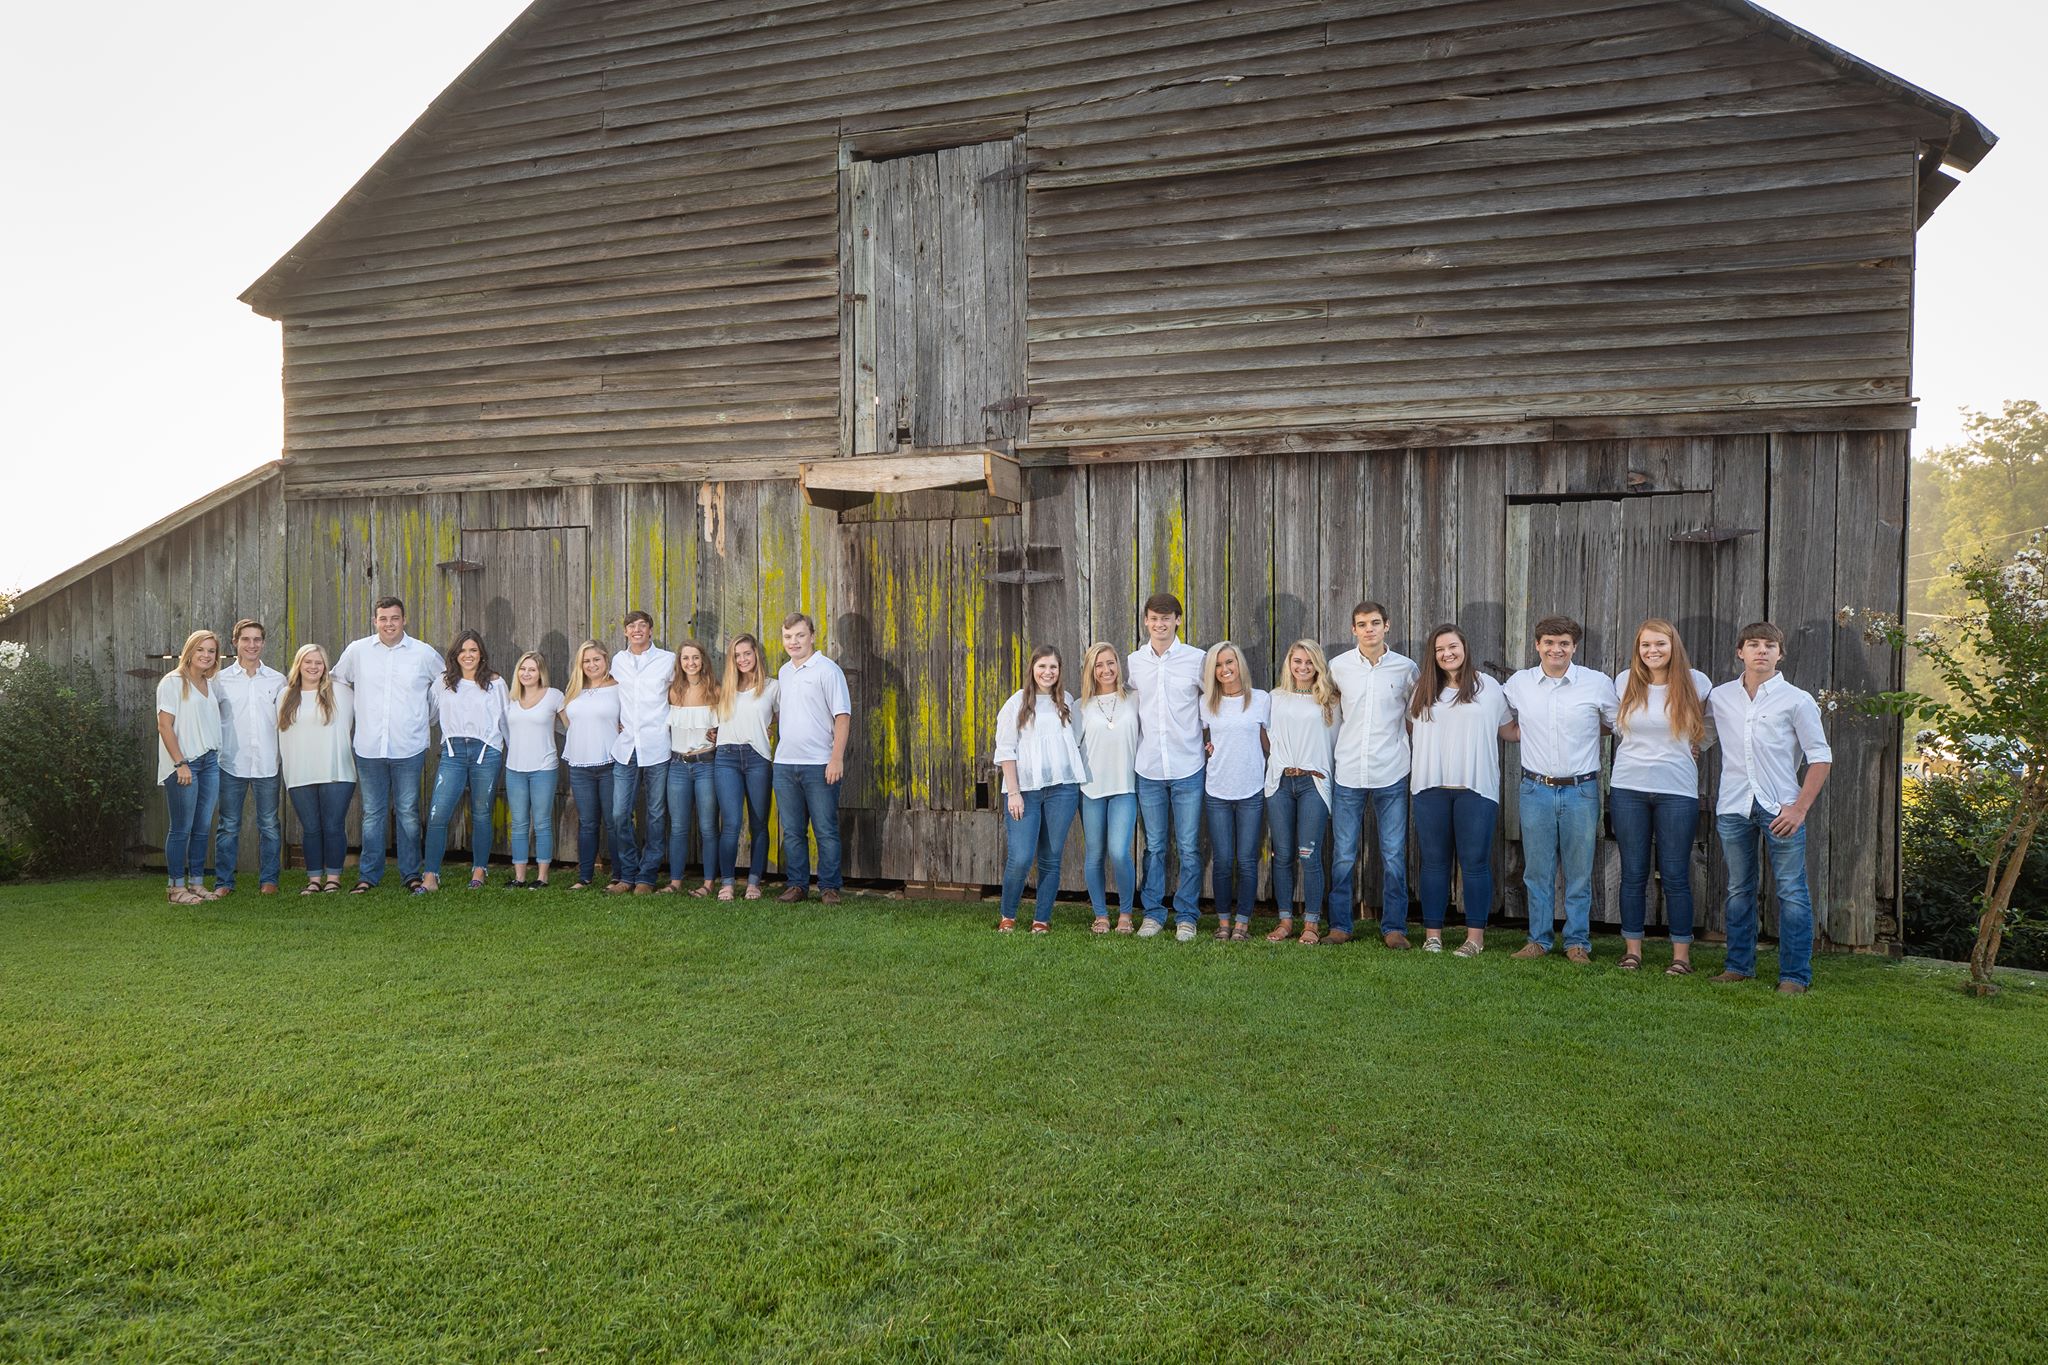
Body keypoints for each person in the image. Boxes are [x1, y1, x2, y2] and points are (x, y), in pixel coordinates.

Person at [1709, 622, 1833, 994]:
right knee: (1738, 889)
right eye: (1753, 644)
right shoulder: (1720, 697)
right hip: (1733, 805)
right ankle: (1738, 966)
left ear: (1780, 654)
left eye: (1769, 645)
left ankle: (1794, 976)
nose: (1761, 651)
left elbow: (1820, 757)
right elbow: (1699, 735)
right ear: (1740, 652)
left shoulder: (1797, 700)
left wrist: (1799, 810)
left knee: (1791, 892)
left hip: (1781, 808)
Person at [1502, 616, 1620, 963]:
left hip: (1581, 790)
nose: (1556, 649)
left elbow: (1617, 724)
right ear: (1537, 645)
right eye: (1549, 643)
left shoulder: (1596, 683)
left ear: (1574, 647)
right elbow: (1502, 721)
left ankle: (1577, 942)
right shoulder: (1519, 684)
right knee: (1537, 870)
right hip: (1535, 788)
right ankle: (1538, 940)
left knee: (1579, 871)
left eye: (1564, 643)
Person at [1611, 620, 1715, 974]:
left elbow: (1712, 723)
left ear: (1674, 647)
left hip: (1677, 790)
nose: (1652, 651)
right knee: (1633, 873)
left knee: (1675, 874)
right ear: (1637, 649)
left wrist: (1698, 745)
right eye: (1645, 645)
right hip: (1628, 787)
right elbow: (1616, 724)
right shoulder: (1625, 681)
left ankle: (1681, 956)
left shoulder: (1696, 682)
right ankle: (1632, 951)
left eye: (1660, 644)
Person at [1408, 624, 1514, 955]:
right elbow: (1409, 727)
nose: (1447, 653)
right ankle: (1433, 936)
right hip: (1430, 787)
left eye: (1452, 646)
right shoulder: (1422, 689)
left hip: (1476, 788)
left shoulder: (1488, 687)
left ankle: (1474, 939)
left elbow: (1509, 730)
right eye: (1440, 649)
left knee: (1475, 863)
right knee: (1434, 863)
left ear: (1464, 648)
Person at [332, 597, 444, 893]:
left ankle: (411, 873)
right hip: (369, 746)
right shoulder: (358, 651)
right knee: (372, 814)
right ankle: (368, 875)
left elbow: (444, 686)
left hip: (409, 747)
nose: (389, 624)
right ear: (375, 621)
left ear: (404, 620)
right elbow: (338, 681)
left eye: (394, 618)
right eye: (383, 618)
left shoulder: (423, 653)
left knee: (407, 812)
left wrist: (426, 719)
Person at [1326, 600, 1421, 947]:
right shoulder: (1338, 667)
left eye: (1375, 623)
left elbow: (1415, 718)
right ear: (1354, 629)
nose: (1369, 630)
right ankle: (1340, 925)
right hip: (1349, 771)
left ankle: (1394, 928)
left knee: (1393, 853)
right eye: (1363, 624)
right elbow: (1329, 713)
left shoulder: (1406, 669)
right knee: (1343, 853)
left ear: (1387, 626)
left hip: (1391, 771)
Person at [1127, 593, 1206, 941]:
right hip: (1149, 769)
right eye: (1154, 618)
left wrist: (1213, 739)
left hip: (1188, 766)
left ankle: (1187, 916)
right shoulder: (1133, 663)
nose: (1159, 624)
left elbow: (1214, 702)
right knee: (1155, 847)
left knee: (1188, 847)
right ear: (1146, 621)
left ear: (1177, 620)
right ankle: (1153, 914)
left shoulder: (1197, 660)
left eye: (1166, 618)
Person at [993, 646, 1088, 933]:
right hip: (1026, 791)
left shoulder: (1066, 701)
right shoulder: (1017, 703)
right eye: (1042, 666)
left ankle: (1041, 920)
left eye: (1053, 667)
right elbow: (1005, 750)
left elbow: (1076, 742)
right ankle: (1008, 915)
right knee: (1021, 857)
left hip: (1063, 789)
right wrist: (1013, 793)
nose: (1048, 672)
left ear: (1060, 671)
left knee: (1051, 857)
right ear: (1032, 669)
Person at [420, 630, 509, 892]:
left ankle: (479, 870)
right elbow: (430, 715)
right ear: (455, 654)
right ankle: (430, 876)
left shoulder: (495, 683)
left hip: (486, 752)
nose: (467, 655)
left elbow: (506, 720)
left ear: (481, 654)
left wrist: (512, 751)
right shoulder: (443, 682)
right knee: (438, 813)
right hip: (453, 753)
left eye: (473, 650)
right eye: (463, 650)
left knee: (481, 812)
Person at [772, 614, 851, 904]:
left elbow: (842, 716)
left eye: (800, 635)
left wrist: (836, 758)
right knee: (793, 831)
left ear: (812, 636)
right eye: (788, 637)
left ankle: (829, 887)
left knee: (825, 830)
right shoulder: (784, 672)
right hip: (784, 764)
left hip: (819, 764)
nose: (793, 642)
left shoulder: (827, 670)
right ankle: (797, 885)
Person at [1264, 640, 1338, 944]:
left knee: (1308, 855)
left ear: (1318, 665)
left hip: (1314, 783)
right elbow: (1264, 736)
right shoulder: (1275, 698)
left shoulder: (1331, 701)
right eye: (1297, 661)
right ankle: (1285, 920)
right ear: (1289, 663)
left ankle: (1311, 923)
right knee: (1282, 854)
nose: (1303, 667)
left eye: (1309, 662)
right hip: (1280, 782)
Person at [211, 618, 286, 896]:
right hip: (231, 763)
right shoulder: (220, 680)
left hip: (268, 763)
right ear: (235, 643)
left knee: (269, 825)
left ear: (263, 643)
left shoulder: (277, 680)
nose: (251, 645)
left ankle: (269, 880)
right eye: (246, 639)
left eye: (257, 639)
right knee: (228, 826)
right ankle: (224, 883)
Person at [1202, 641, 1271, 941]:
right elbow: (1197, 738)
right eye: (1218, 665)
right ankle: (1223, 923)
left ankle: (1242, 923)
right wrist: (1207, 747)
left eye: (1229, 662)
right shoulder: (1207, 703)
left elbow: (1270, 743)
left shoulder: (1261, 700)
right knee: (1222, 860)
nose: (1224, 669)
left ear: (1239, 663)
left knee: (1246, 860)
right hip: (1217, 790)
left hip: (1251, 789)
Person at [277, 643, 356, 894]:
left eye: (318, 662)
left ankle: (333, 878)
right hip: (299, 772)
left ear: (325, 666)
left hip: (337, 770)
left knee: (333, 826)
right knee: (310, 828)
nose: (313, 667)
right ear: (299, 665)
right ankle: (313, 880)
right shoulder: (285, 695)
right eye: (308, 662)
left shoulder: (342, 692)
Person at [608, 610, 677, 895]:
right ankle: (627, 874)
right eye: (631, 626)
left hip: (657, 745)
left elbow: (682, 692)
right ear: (625, 632)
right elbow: (610, 694)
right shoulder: (618, 661)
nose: (636, 630)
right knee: (619, 813)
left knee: (656, 814)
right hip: (626, 746)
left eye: (642, 625)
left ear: (650, 630)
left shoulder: (668, 660)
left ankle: (647, 876)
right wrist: (613, 720)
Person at [1074, 642, 1140, 934]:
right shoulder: (1081, 706)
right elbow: (1070, 747)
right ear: (1091, 670)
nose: (1106, 670)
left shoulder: (1134, 698)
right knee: (1095, 854)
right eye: (1098, 665)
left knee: (1119, 851)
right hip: (1091, 790)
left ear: (1118, 665)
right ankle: (1100, 915)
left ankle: (1126, 914)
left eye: (1110, 663)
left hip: (1125, 787)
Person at [156, 629, 223, 904]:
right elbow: (164, 725)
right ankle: (175, 888)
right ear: (189, 651)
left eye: (211, 651)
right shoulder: (173, 682)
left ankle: (196, 883)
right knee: (181, 827)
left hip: (210, 763)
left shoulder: (210, 683)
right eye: (200, 649)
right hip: (186, 764)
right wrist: (180, 762)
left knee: (202, 827)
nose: (206, 655)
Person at [713, 633, 779, 901]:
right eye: (737, 655)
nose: (742, 659)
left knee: (759, 823)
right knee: (730, 823)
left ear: (756, 655)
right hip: (726, 757)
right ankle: (727, 883)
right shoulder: (724, 689)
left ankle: (754, 882)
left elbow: (784, 718)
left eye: (747, 654)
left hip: (757, 758)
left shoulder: (773, 687)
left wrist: (770, 728)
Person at [562, 641, 622, 890]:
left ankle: (620, 875)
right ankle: (585, 876)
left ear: (606, 659)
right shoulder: (575, 688)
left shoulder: (618, 687)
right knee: (587, 822)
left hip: (610, 763)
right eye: (586, 661)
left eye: (596, 659)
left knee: (614, 821)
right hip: (580, 765)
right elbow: (568, 721)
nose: (591, 665)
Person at [663, 640, 720, 897]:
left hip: (706, 764)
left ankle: (708, 883)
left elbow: (729, 723)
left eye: (695, 657)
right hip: (677, 765)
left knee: (708, 826)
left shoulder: (715, 691)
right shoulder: (673, 692)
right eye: (685, 658)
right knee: (678, 827)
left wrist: (719, 733)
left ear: (703, 660)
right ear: (680, 662)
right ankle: (675, 881)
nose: (691, 663)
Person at [503, 651, 565, 889]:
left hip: (543, 768)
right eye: (522, 668)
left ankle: (542, 877)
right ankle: (519, 877)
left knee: (541, 822)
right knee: (518, 823)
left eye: (532, 669)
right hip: (515, 769)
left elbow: (571, 727)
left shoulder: (554, 696)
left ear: (540, 673)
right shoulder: (511, 699)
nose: (526, 673)